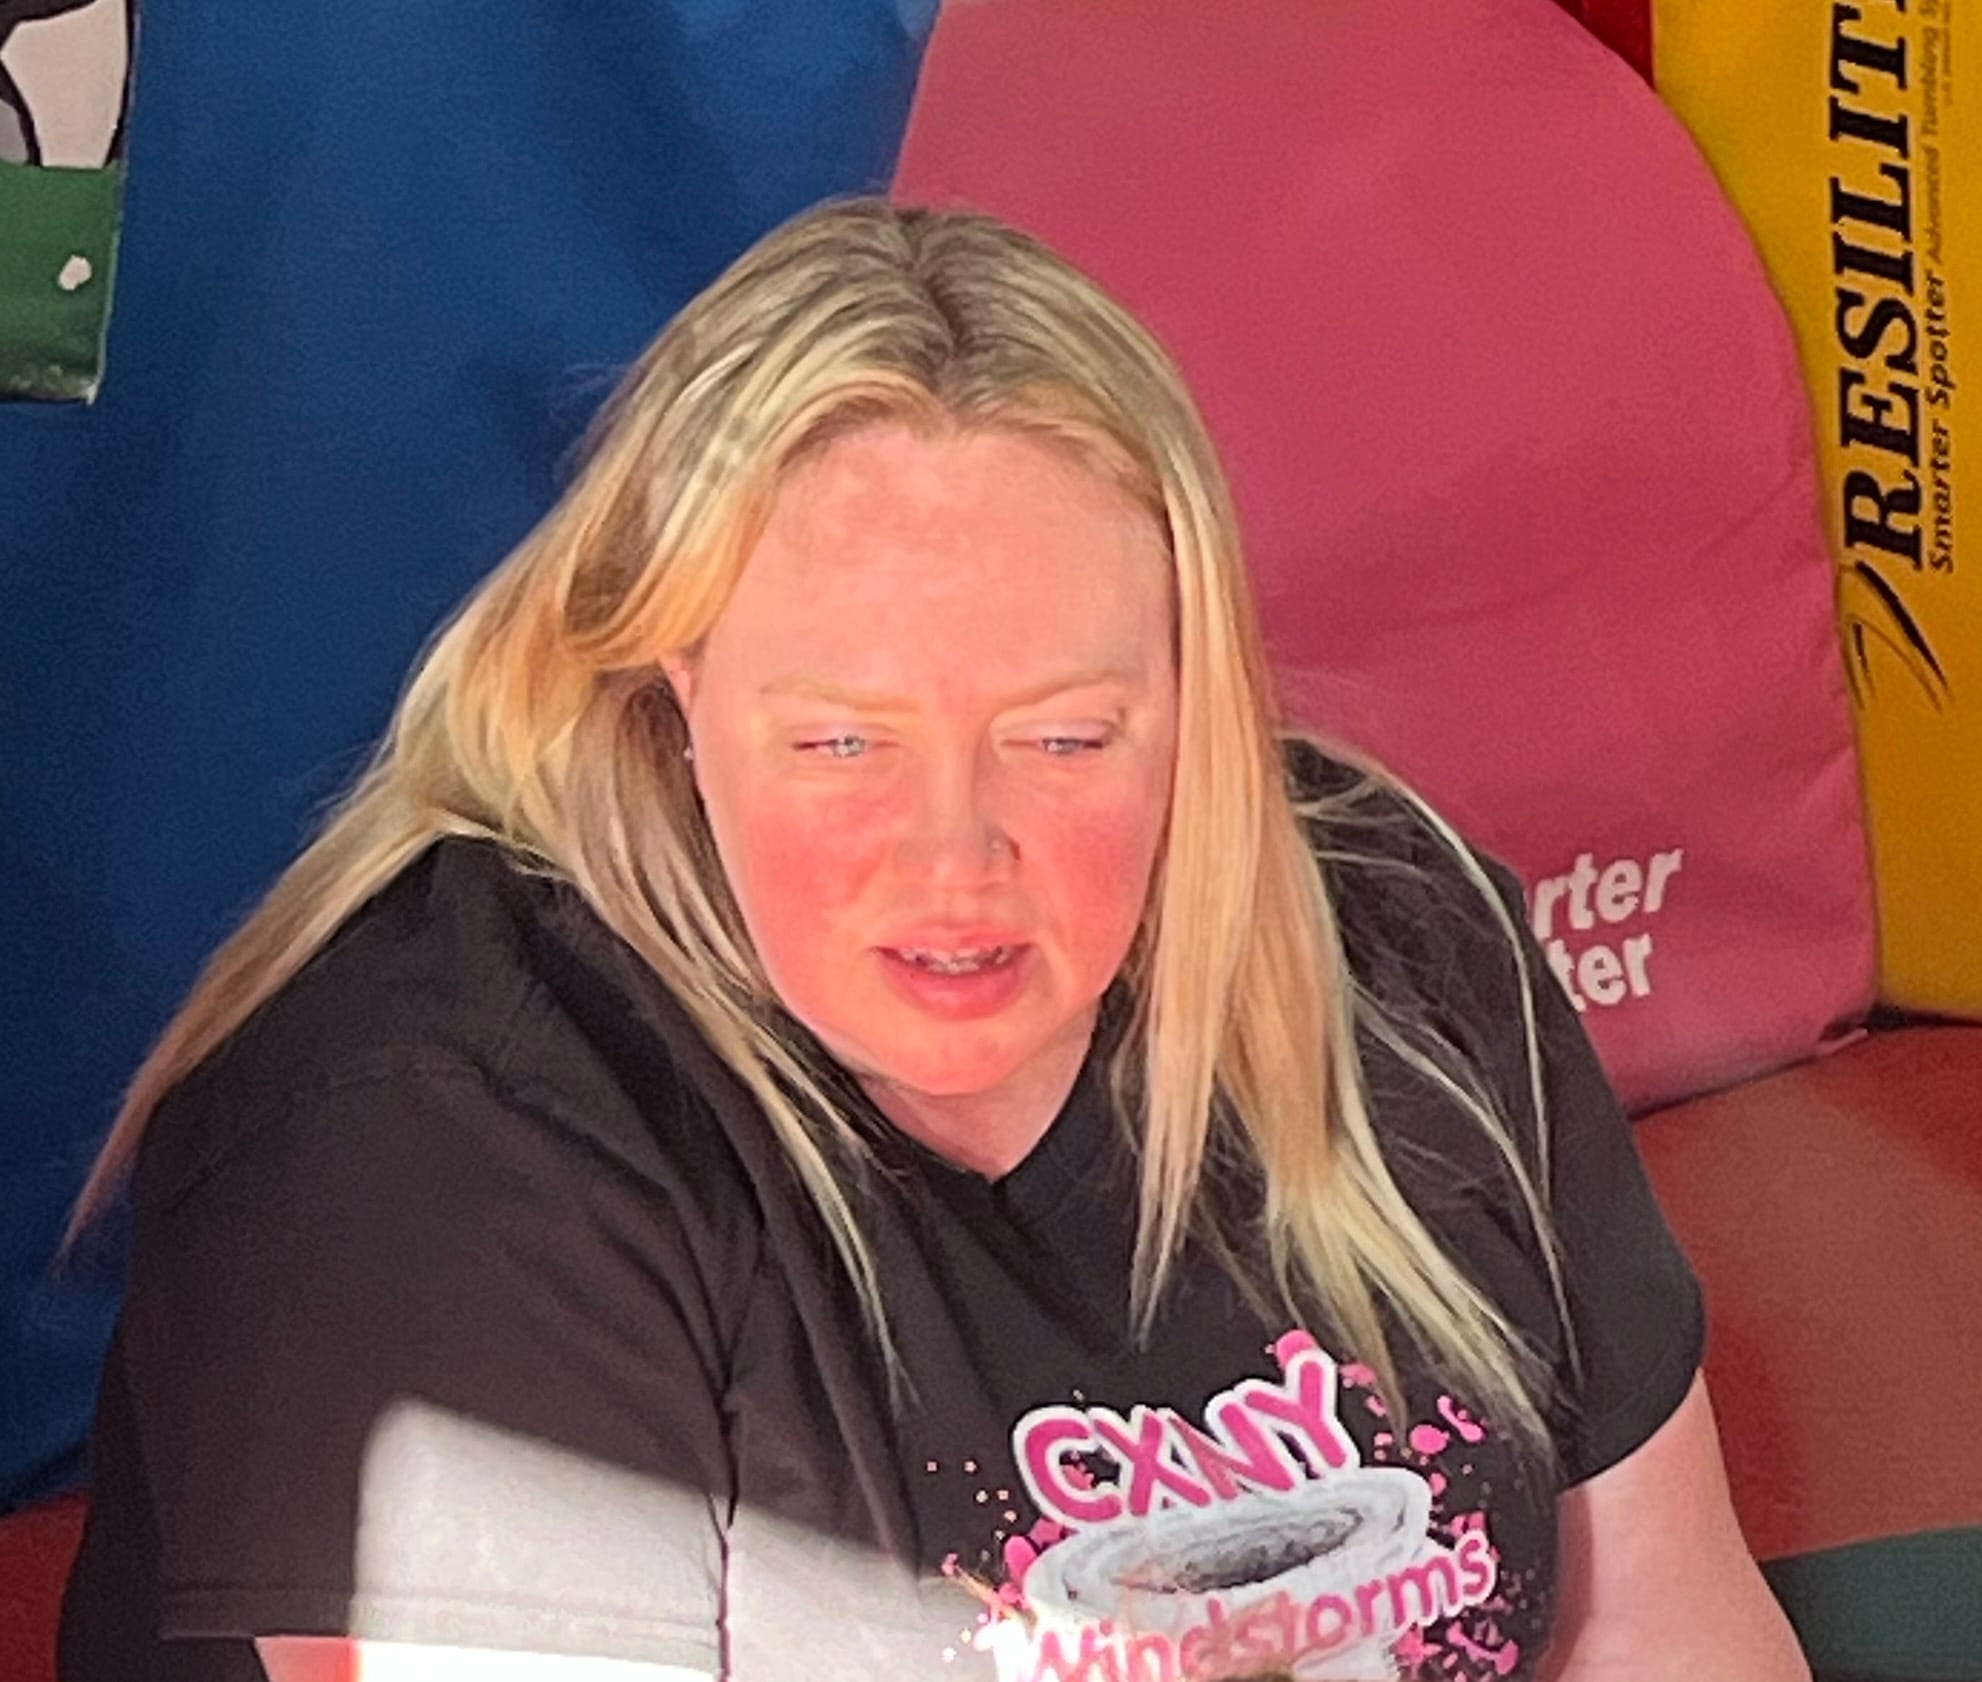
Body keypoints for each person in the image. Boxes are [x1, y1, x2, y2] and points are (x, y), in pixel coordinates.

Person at [55, 197, 1807, 1682]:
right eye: (840, 742)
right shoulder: (428, 1123)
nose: (954, 854)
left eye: (1062, 736)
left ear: (1192, 697)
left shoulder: (1391, 935)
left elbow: (1664, 1617)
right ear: (678, 691)